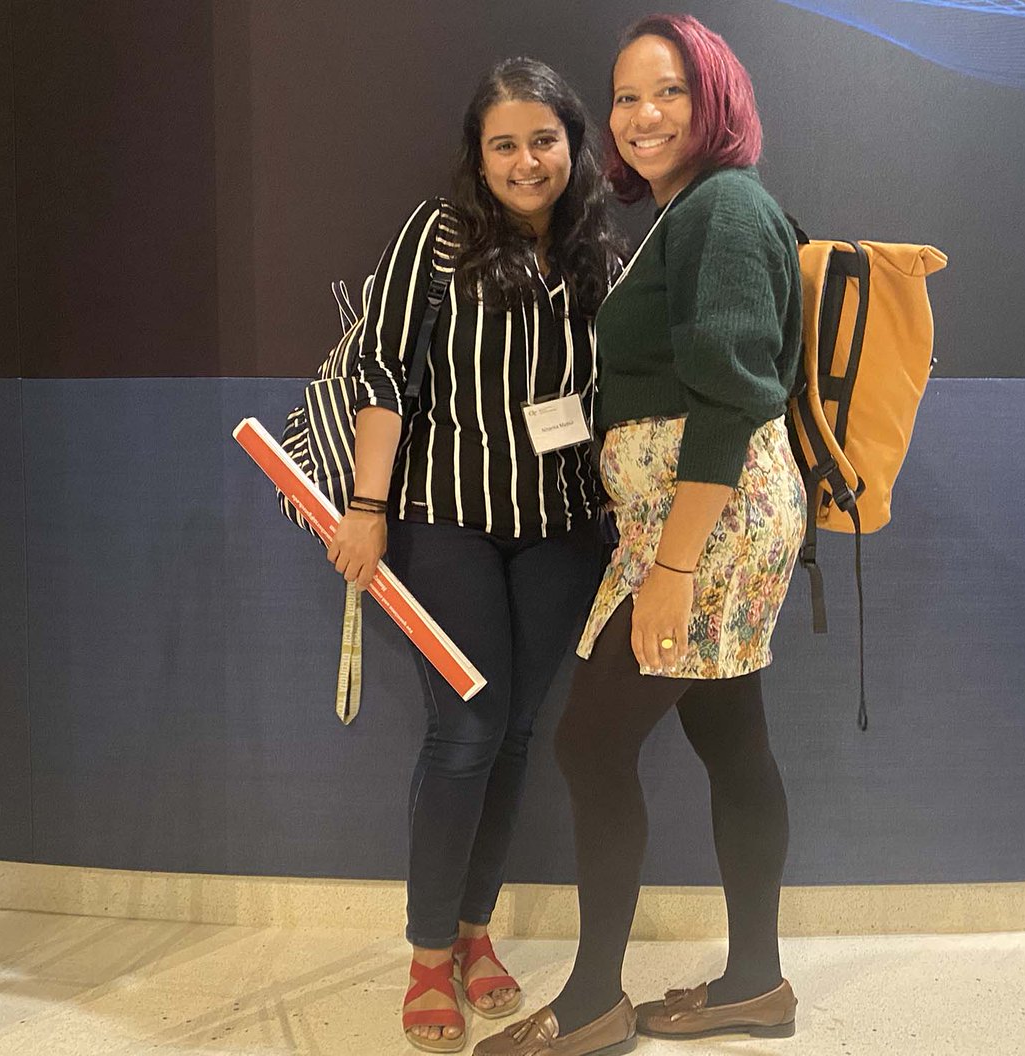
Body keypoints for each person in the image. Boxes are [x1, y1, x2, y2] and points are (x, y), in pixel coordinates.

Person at [475, 15, 805, 1056]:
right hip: (685, 518)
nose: (643, 114)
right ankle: (757, 983)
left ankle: (592, 1005)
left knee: (589, 741)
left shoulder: (727, 206)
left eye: (667, 91)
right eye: (624, 96)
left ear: (714, 100)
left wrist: (668, 571)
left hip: (706, 520)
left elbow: (734, 394)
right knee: (726, 732)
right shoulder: (679, 217)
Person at [324, 58, 623, 1054]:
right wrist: (367, 506)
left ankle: (475, 935)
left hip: (564, 525)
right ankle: (423, 955)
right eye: (505, 143)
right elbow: (379, 366)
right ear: (478, 153)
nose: (527, 160)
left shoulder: (595, 245)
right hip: (444, 517)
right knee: (467, 727)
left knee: (519, 733)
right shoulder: (438, 233)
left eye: (544, 138)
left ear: (572, 142)